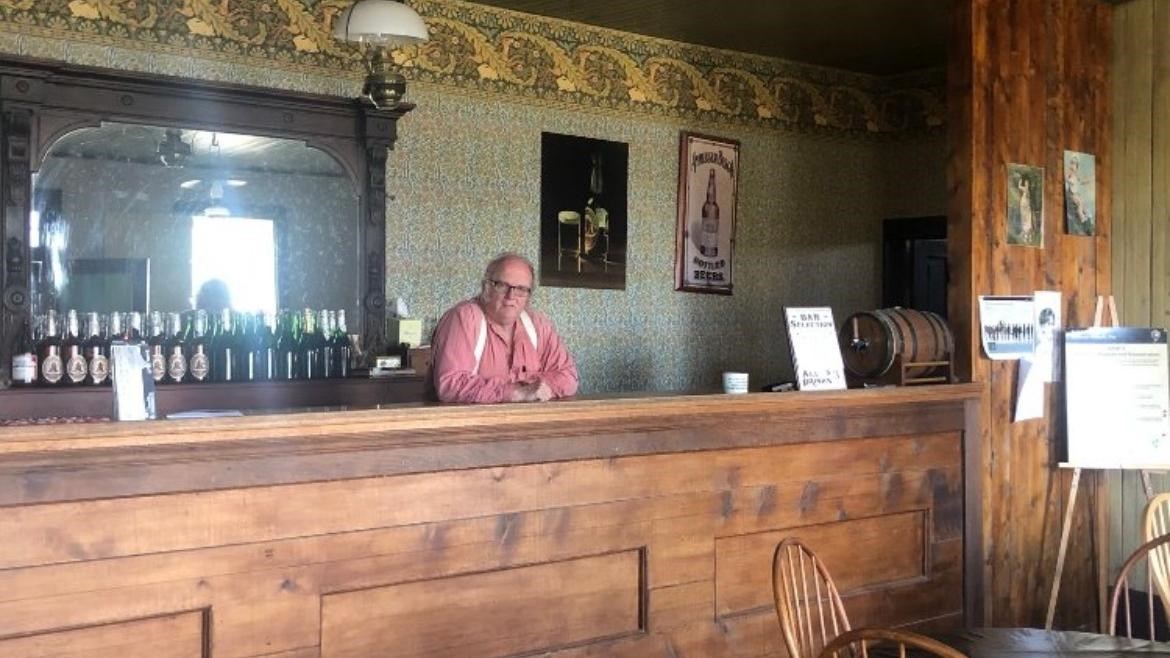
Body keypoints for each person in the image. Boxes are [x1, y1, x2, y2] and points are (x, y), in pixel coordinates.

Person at [430, 252, 578, 403]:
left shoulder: (537, 324)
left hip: (526, 423)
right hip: (470, 424)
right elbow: (450, 385)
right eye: (502, 285)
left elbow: (568, 376)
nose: (511, 296)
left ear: (529, 296)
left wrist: (537, 388)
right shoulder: (464, 318)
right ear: (486, 287)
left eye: (521, 289)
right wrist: (515, 392)